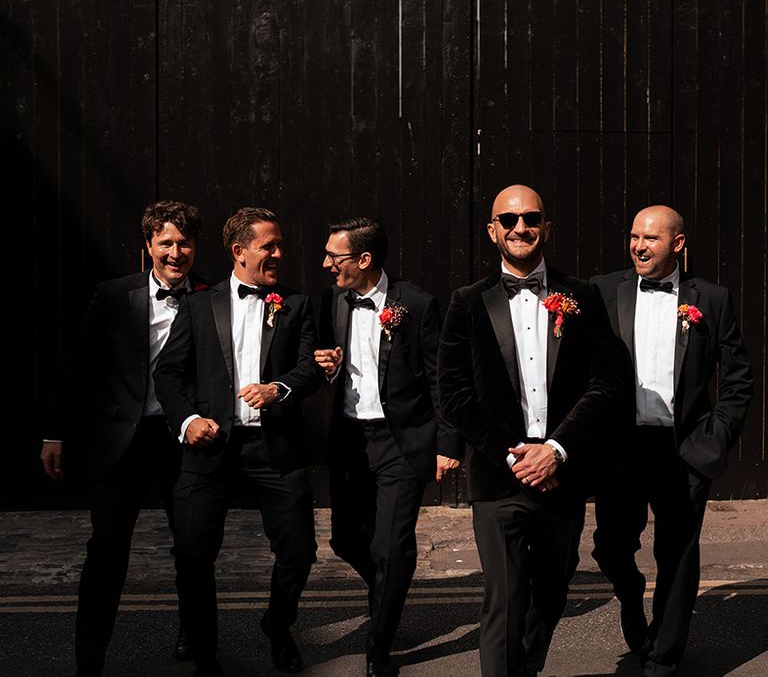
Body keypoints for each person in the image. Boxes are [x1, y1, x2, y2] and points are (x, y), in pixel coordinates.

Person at [437, 185, 621, 677]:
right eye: (510, 220)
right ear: (493, 230)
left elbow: (607, 382)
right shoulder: (467, 302)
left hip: (563, 474)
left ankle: (526, 669)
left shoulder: (582, 296)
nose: (522, 227)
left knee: (553, 592)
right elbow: (453, 394)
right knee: (505, 597)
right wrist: (516, 456)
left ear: (546, 227)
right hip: (500, 480)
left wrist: (556, 451)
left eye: (531, 218)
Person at [154, 207, 322, 676]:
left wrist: (278, 389)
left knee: (299, 550)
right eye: (269, 246)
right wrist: (188, 419)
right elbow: (167, 373)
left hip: (274, 447)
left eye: (279, 245)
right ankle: (205, 652)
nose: (278, 254)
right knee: (192, 553)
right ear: (239, 251)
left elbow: (309, 368)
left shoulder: (296, 303)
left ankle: (280, 625)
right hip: (210, 446)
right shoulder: (198, 304)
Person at [40, 200, 205, 676]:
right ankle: (88, 658)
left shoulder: (213, 297)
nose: (176, 252)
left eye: (184, 242)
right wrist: (54, 431)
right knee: (107, 553)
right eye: (166, 243)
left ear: (196, 246)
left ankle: (193, 635)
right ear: (149, 245)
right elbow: (75, 365)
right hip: (121, 443)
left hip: (182, 441)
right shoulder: (114, 295)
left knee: (193, 549)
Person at [591, 205, 753, 677]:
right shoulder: (604, 291)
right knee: (610, 546)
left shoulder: (713, 298)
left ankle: (664, 655)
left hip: (684, 449)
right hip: (621, 447)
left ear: (677, 245)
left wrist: (717, 435)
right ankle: (630, 597)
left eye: (651, 239)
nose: (639, 246)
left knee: (678, 553)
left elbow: (738, 375)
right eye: (634, 236)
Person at [313, 217, 461, 677]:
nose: (325, 264)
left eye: (334, 257)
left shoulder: (415, 304)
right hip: (350, 439)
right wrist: (326, 365)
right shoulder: (332, 301)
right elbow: (321, 363)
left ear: (364, 259)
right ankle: (387, 592)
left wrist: (447, 443)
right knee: (346, 540)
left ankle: (379, 645)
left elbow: (440, 376)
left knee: (393, 547)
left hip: (401, 440)